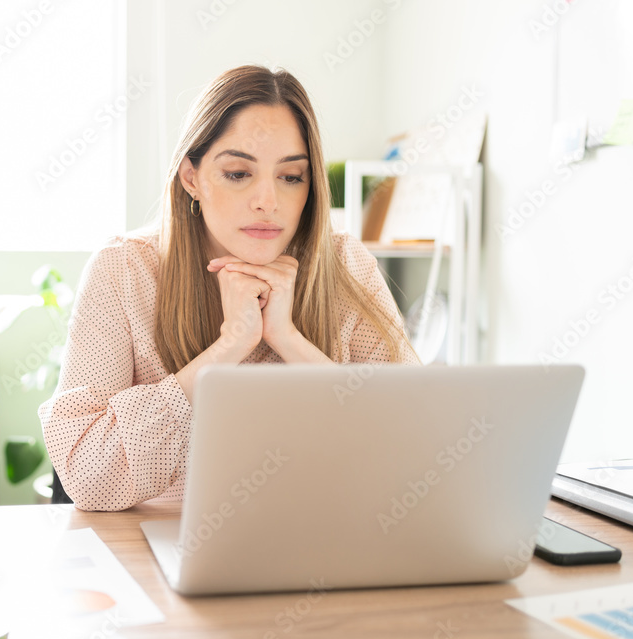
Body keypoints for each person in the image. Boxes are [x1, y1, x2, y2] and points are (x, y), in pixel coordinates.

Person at [39, 65, 420, 512]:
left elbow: (413, 442)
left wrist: (289, 340)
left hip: (324, 540)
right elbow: (88, 476)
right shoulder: (124, 270)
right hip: (163, 544)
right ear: (191, 178)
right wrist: (229, 347)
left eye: (291, 177)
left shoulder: (345, 265)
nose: (268, 201)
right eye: (239, 173)